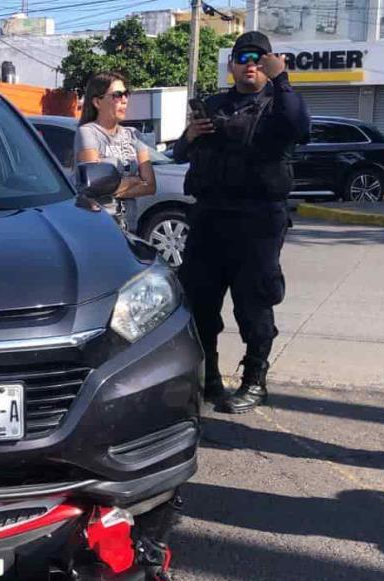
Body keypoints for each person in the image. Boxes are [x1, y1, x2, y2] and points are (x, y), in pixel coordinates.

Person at [172, 31, 309, 414]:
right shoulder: (214, 105)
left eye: (259, 59)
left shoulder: (279, 104)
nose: (251, 64)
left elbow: (300, 127)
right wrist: (188, 136)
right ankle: (209, 380)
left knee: (254, 304)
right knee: (199, 303)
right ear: (231, 65)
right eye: (243, 58)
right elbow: (180, 153)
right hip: (210, 217)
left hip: (258, 220)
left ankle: (254, 382)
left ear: (269, 64)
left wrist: (282, 80)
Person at [74, 72, 156, 230]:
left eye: (126, 94)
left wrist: (112, 187)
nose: (124, 100)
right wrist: (134, 180)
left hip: (130, 225)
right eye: (117, 95)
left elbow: (150, 186)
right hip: (100, 225)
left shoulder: (133, 134)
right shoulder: (88, 132)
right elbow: (94, 186)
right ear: (98, 102)